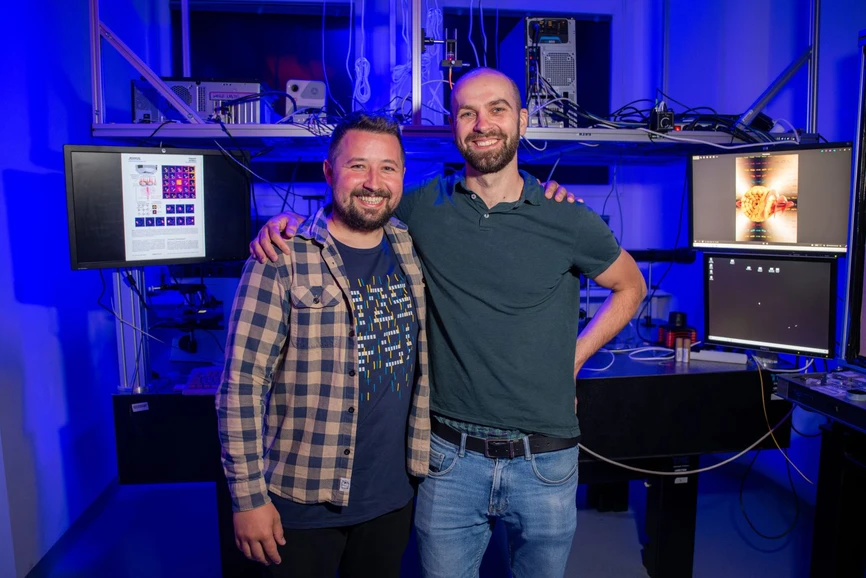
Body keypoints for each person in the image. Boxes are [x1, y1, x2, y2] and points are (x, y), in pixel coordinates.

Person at [250, 68, 647, 578]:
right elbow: (356, 207)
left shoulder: (566, 217)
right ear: (454, 127)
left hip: (545, 460)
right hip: (448, 458)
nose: (483, 124)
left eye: (498, 110)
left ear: (522, 120)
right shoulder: (420, 207)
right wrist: (283, 226)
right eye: (467, 113)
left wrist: (572, 357)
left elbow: (630, 286)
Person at [216, 112, 430, 578]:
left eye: (388, 168)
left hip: (391, 497)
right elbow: (241, 385)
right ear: (329, 171)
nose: (373, 182)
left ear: (402, 176)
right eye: (357, 166)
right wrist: (249, 498)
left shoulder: (409, 246)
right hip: (302, 499)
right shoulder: (282, 256)